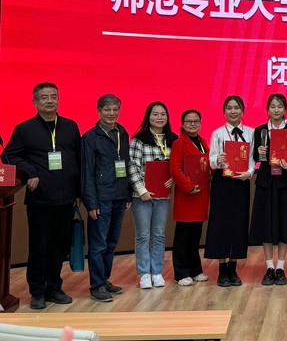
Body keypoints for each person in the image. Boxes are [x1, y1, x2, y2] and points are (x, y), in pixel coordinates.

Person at [2, 82, 81, 310]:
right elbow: (8, 156)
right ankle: (37, 291)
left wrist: (78, 193)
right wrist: (31, 172)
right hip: (41, 199)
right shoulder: (24, 129)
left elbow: (78, 160)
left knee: (60, 247)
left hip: (66, 198)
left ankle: (54, 288)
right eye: (44, 97)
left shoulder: (70, 126)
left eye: (53, 96)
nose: (49, 101)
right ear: (35, 102)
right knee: (39, 247)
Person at [82, 94, 131, 302]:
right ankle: (96, 285)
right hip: (101, 198)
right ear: (99, 111)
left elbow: (126, 164)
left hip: (119, 196)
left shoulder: (123, 132)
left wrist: (127, 194)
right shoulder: (90, 137)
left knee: (111, 243)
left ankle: (104, 279)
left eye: (115, 109)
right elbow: (87, 173)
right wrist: (91, 203)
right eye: (107, 110)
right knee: (98, 244)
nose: (112, 113)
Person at [250, 94, 287, 286]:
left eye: (279, 106)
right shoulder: (260, 130)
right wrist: (259, 153)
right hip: (265, 181)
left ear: (285, 109)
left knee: (285, 223)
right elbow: (254, 157)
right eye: (272, 106)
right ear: (267, 109)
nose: (276, 110)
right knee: (266, 225)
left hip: (285, 182)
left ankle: (281, 267)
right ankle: (269, 267)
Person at [128, 102, 178, 289]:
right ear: (148, 117)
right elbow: (132, 166)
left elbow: (177, 166)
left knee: (158, 235)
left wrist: (173, 179)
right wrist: (141, 190)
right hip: (141, 195)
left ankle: (156, 272)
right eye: (155, 114)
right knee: (143, 235)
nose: (159, 117)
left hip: (163, 196)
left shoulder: (173, 139)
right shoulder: (139, 140)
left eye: (163, 114)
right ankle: (144, 273)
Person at [205, 95, 255, 287]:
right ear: (224, 111)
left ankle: (233, 267)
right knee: (220, 222)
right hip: (222, 182)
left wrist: (249, 173)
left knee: (238, 223)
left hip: (241, 182)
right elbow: (211, 160)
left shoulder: (250, 132)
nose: (233, 111)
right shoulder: (218, 133)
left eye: (236, 108)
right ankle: (222, 268)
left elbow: (252, 159)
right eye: (229, 108)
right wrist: (217, 161)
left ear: (243, 111)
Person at [169, 109, 210, 286]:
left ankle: (195, 270)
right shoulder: (179, 143)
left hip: (200, 195)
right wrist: (189, 186)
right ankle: (181, 272)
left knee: (195, 236)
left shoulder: (203, 141)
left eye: (196, 121)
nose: (192, 124)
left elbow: (207, 165)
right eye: (188, 121)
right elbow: (175, 170)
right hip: (187, 196)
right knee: (183, 236)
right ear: (182, 124)